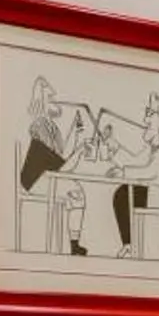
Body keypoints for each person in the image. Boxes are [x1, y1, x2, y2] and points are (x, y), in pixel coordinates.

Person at [17, 78, 93, 255]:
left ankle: (74, 244)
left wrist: (76, 135)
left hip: (48, 175)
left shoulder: (53, 128)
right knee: (76, 191)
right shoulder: (40, 125)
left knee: (75, 190)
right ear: (43, 101)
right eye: (51, 98)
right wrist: (80, 151)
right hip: (35, 179)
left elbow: (61, 159)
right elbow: (61, 168)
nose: (56, 102)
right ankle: (74, 244)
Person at [96, 94, 159, 259]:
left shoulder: (158, 146)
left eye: (149, 113)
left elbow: (150, 171)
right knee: (122, 193)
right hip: (151, 191)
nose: (145, 119)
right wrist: (114, 147)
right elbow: (135, 161)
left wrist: (123, 172)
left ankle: (131, 245)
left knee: (123, 194)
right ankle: (130, 244)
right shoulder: (151, 147)